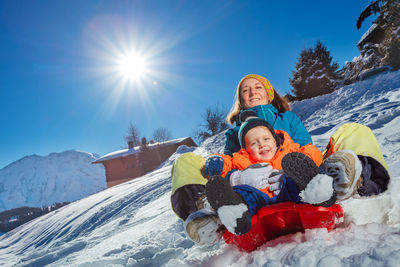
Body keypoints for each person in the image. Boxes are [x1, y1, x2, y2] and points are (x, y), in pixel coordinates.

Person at [171, 74, 314, 245]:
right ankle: (206, 217)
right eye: (246, 90)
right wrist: (235, 176)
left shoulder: (288, 119)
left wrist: (291, 171)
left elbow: (307, 149)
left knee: (349, 132)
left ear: (269, 94)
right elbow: (230, 161)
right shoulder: (234, 133)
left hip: (291, 180)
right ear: (241, 100)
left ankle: (344, 178)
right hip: (251, 190)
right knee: (185, 161)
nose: (252, 92)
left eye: (258, 87)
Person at [201, 110, 335, 236]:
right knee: (244, 191)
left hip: (288, 194)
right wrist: (217, 162)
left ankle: (319, 193)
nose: (262, 144)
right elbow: (227, 163)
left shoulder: (289, 150)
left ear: (275, 140)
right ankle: (237, 214)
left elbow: (311, 151)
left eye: (266, 139)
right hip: (260, 201)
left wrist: (309, 159)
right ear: (246, 149)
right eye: (254, 143)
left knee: (293, 179)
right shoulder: (242, 159)